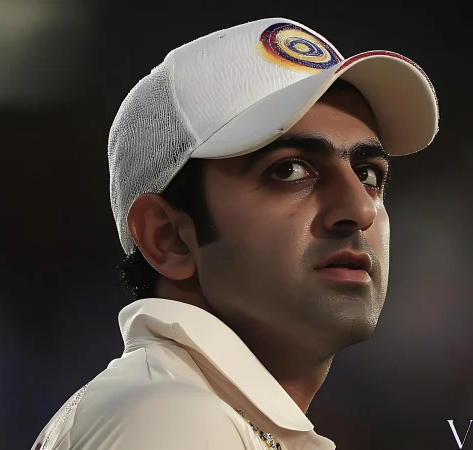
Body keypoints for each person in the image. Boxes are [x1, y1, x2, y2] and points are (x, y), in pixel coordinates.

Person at [31, 17, 438, 450]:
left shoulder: (193, 411)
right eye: (290, 170)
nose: (358, 209)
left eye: (368, 174)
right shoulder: (173, 420)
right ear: (168, 237)